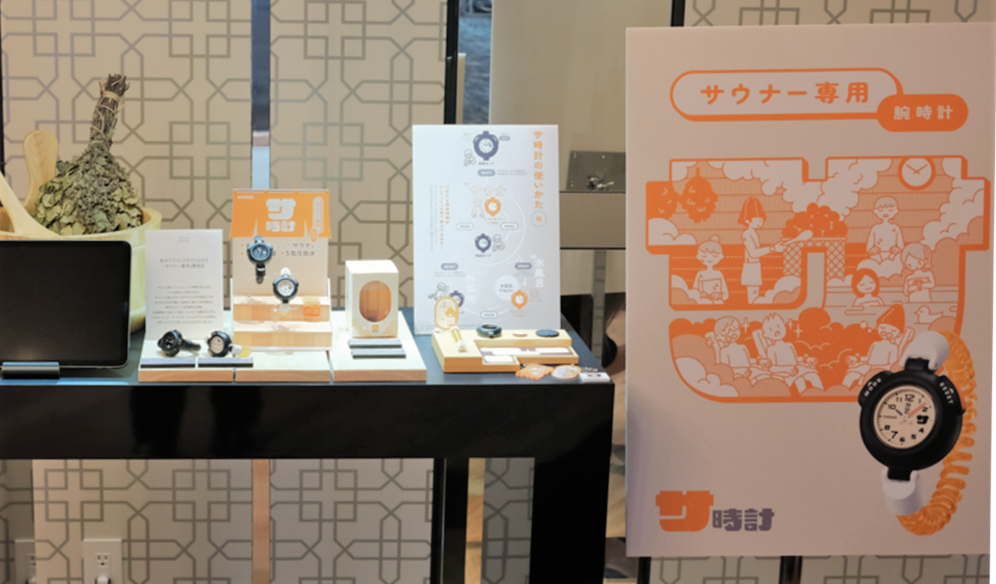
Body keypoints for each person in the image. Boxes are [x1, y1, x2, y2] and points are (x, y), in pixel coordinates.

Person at [843, 304, 906, 388]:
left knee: (863, 381)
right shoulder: (875, 344)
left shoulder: (894, 347)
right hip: (868, 367)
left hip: (880, 370)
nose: (886, 332)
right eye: (883, 328)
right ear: (877, 327)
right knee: (851, 375)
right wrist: (857, 358)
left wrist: (876, 368)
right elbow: (869, 359)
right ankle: (842, 390)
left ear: (899, 334)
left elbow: (892, 365)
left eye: (893, 330)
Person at [758, 313, 823, 391]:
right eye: (771, 329)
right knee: (800, 381)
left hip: (796, 369)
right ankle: (804, 396)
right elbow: (772, 367)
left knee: (814, 376)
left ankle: (822, 394)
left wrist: (806, 359)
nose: (777, 330)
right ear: (765, 335)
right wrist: (787, 369)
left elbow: (795, 359)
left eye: (778, 326)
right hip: (784, 372)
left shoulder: (789, 345)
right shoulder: (771, 349)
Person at [738, 197, 784, 304]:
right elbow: (753, 253)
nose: (760, 222)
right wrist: (773, 248)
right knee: (753, 294)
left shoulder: (754, 233)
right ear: (747, 220)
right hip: (750, 267)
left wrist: (774, 247)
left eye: (761, 220)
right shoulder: (746, 234)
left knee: (755, 292)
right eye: (757, 220)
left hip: (755, 266)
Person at [866, 196, 904, 263]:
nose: (885, 213)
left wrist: (897, 249)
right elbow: (869, 246)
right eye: (881, 210)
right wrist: (872, 249)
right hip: (877, 255)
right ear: (875, 211)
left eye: (890, 210)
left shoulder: (895, 227)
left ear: (896, 211)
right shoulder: (875, 228)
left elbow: (900, 245)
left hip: (893, 254)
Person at [692, 236, 729, 304]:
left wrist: (719, 295)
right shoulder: (700, 274)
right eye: (704, 256)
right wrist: (700, 294)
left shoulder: (719, 274)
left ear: (720, 257)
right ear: (699, 257)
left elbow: (725, 295)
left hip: (718, 303)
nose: (709, 259)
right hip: (702, 302)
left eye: (714, 256)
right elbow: (694, 292)